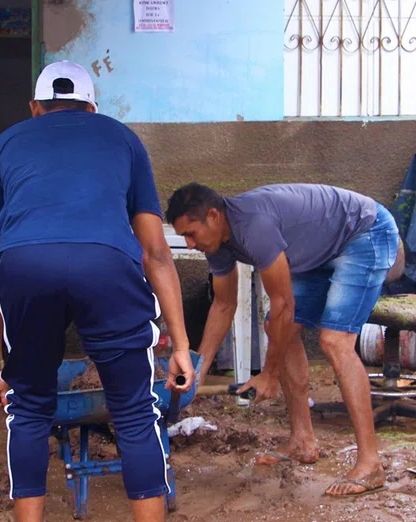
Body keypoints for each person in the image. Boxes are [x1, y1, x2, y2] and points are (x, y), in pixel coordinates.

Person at [0, 61, 195, 522]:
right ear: (93, 108)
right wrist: (179, 344)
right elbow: (156, 252)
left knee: (30, 408)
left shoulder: (3, 146)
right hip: (107, 265)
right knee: (135, 413)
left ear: (35, 108)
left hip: (25, 266)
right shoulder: (122, 139)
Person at [166, 183, 403, 497]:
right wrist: (198, 370)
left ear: (213, 215)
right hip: (323, 250)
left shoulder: (254, 226)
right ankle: (302, 441)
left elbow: (284, 304)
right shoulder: (217, 242)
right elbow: (223, 304)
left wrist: (270, 375)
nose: (189, 244)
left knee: (334, 341)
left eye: (192, 234)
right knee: (276, 328)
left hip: (365, 232)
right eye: (184, 236)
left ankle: (370, 463)